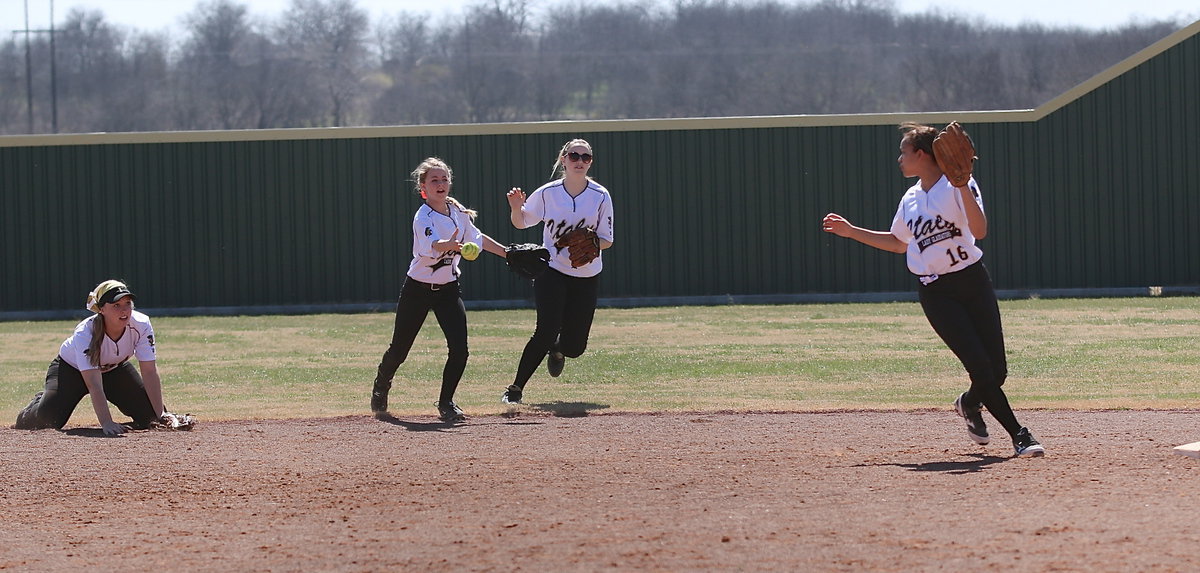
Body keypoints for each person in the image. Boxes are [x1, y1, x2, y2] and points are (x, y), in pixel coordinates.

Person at [821, 122, 1045, 458]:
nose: (900, 159)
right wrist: (852, 232)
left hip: (972, 280)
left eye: (904, 152)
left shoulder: (959, 184)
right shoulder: (911, 198)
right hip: (936, 291)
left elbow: (980, 230)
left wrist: (964, 186)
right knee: (980, 368)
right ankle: (1020, 434)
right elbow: (899, 243)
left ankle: (969, 403)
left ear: (922, 155)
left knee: (996, 371)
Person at [371, 157, 508, 422]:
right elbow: (434, 245)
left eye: (444, 178)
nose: (441, 183)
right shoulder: (423, 216)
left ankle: (446, 402)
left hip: (447, 289)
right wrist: (451, 245)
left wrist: (508, 254)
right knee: (400, 350)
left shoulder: (458, 213)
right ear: (423, 187)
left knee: (460, 349)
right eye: (434, 179)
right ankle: (381, 384)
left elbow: (478, 238)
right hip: (418, 289)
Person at [500, 139, 615, 404]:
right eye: (574, 156)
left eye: (585, 157)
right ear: (563, 159)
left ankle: (559, 349)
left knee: (575, 348)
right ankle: (515, 390)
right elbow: (521, 223)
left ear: (591, 163)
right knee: (545, 330)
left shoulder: (600, 196)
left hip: (586, 275)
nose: (579, 161)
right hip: (552, 270)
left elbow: (608, 239)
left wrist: (591, 241)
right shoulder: (548, 193)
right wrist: (516, 207)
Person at [13, 280, 172, 436]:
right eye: (116, 305)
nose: (124, 310)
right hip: (70, 371)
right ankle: (38, 403)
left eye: (127, 304)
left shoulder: (141, 324)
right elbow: (94, 384)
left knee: (152, 418)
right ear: (101, 309)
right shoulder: (85, 332)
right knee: (47, 419)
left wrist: (161, 414)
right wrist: (106, 422)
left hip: (113, 369)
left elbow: (149, 371)